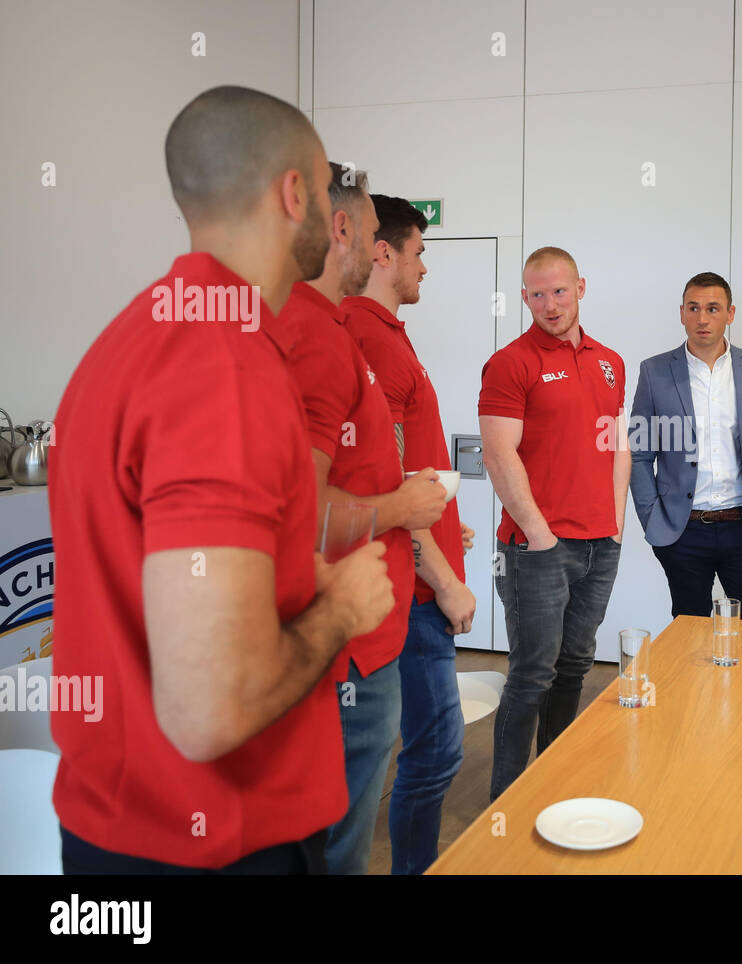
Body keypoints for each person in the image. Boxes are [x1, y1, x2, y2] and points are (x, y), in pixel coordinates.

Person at [48, 86, 394, 873]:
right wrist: (339, 611)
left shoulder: (136, 336)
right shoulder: (222, 366)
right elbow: (212, 709)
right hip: (213, 844)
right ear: (296, 193)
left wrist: (282, 584)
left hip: (116, 836)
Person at [283, 164, 447, 874]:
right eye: (379, 237)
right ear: (344, 232)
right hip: (347, 637)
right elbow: (298, 515)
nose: (385, 254)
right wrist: (405, 510)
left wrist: (411, 517)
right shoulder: (322, 338)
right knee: (338, 840)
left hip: (360, 627)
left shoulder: (327, 329)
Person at [343, 194, 473, 873]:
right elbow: (380, 491)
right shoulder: (366, 338)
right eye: (419, 252)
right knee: (435, 749)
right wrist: (445, 581)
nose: (425, 267)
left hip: (415, 576)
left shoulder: (386, 334)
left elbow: (401, 476)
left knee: (428, 748)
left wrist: (451, 524)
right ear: (382, 251)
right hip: (413, 597)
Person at [480, 246, 629, 800]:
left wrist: (614, 524)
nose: (549, 303)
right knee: (531, 675)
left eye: (559, 290)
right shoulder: (511, 362)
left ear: (581, 288)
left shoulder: (610, 360)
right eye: (537, 294)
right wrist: (540, 535)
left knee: (574, 667)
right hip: (536, 550)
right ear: (524, 298)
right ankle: (508, 801)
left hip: (599, 544)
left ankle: (555, 785)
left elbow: (617, 444)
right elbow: (498, 455)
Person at [630, 272, 742, 622]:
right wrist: (652, 518)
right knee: (689, 637)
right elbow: (639, 452)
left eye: (713, 309)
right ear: (681, 313)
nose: (703, 318)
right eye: (694, 308)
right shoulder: (654, 372)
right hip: (683, 531)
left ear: (730, 314)